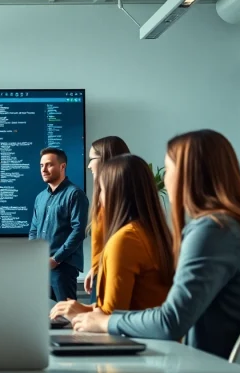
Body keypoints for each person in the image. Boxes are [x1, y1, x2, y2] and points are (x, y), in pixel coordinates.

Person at [71, 130, 240, 360]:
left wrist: (106, 321)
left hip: (204, 372)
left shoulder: (213, 231)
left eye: (168, 168)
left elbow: (170, 322)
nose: (163, 179)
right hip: (224, 371)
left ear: (188, 175)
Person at [50, 154, 173, 320]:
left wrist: (78, 315)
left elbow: (110, 318)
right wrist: (83, 309)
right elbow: (126, 308)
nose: (99, 199)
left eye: (101, 190)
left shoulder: (125, 240)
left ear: (115, 193)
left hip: (133, 343)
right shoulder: (153, 233)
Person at [29, 147, 88, 302]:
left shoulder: (75, 194)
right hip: (41, 268)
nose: (44, 169)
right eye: (41, 165)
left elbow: (79, 231)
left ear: (62, 166)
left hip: (63, 268)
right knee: (44, 317)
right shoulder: (40, 197)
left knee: (66, 317)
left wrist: (56, 259)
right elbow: (34, 230)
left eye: (49, 165)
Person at [83, 136, 131, 303]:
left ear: (106, 159)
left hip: (110, 275)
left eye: (92, 159)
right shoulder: (103, 199)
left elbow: (120, 244)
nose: (89, 166)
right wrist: (94, 269)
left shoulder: (118, 201)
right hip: (100, 273)